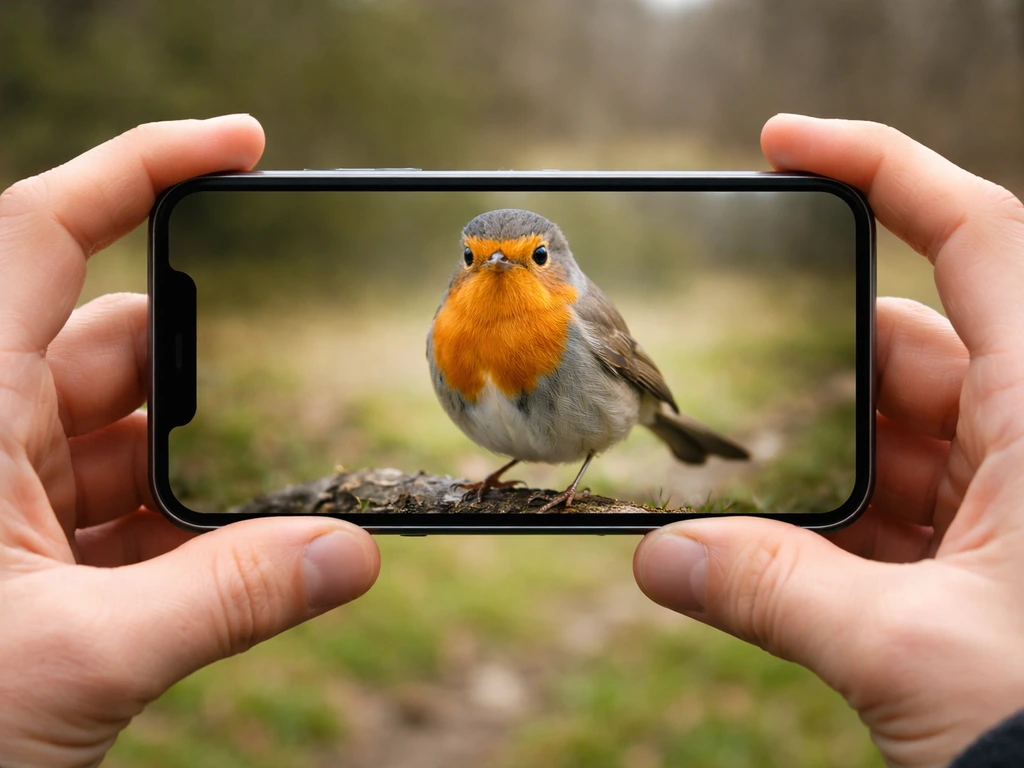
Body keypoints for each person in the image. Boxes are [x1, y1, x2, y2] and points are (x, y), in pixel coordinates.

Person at [0, 113, 1021, 768]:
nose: (499, 272)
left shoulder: (578, 317)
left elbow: (629, 383)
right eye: (479, 258)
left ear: (556, 261)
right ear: (459, 265)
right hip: (506, 410)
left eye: (525, 256)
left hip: (592, 423)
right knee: (488, 413)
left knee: (610, 434)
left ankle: (623, 467)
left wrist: (608, 455)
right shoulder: (451, 327)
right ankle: (518, 472)